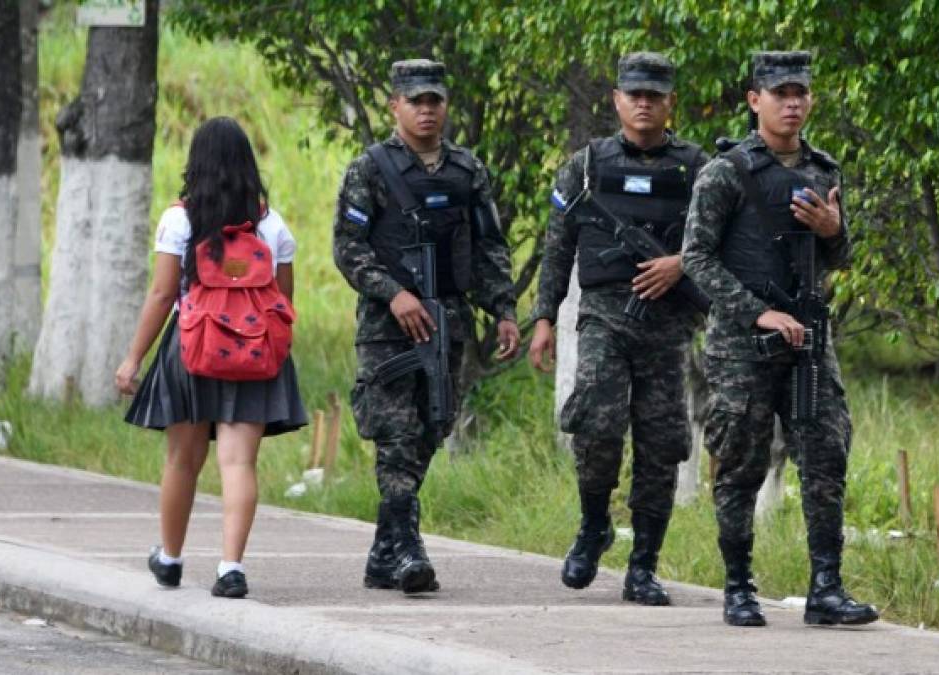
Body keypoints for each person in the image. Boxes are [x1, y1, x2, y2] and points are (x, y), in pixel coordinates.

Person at [681, 51, 878, 627]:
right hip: (744, 345)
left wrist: (833, 232)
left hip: (810, 338)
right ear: (754, 100)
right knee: (739, 460)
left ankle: (826, 590)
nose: (792, 103)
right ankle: (738, 588)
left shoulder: (823, 170)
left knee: (825, 455)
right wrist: (757, 312)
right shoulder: (726, 172)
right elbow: (695, 258)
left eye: (801, 93)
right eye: (780, 92)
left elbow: (840, 255)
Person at [333, 59, 520, 594]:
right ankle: (409, 549)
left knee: (432, 428)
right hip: (387, 327)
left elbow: (488, 247)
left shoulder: (467, 171)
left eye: (434, 100)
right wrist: (394, 295)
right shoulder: (369, 170)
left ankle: (382, 552)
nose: (426, 110)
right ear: (395, 106)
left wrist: (503, 310)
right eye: (415, 101)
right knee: (397, 433)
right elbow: (349, 248)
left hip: (447, 322)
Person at [529, 52, 708, 605]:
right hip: (604, 318)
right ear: (617, 100)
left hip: (668, 326)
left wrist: (680, 263)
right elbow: (557, 248)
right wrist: (542, 317)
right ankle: (592, 525)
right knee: (597, 428)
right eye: (634, 94)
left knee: (661, 444)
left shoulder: (697, 169)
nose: (644, 103)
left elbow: (723, 242)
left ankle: (643, 567)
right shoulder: (584, 167)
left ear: (670, 101)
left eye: (655, 94)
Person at [115, 116, 308, 599]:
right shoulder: (272, 225)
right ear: (248, 164)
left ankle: (171, 558)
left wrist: (133, 359)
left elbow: (162, 296)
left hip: (192, 348)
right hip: (254, 352)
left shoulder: (180, 220)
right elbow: (283, 301)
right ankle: (230, 568)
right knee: (238, 462)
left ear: (195, 163)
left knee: (182, 460)